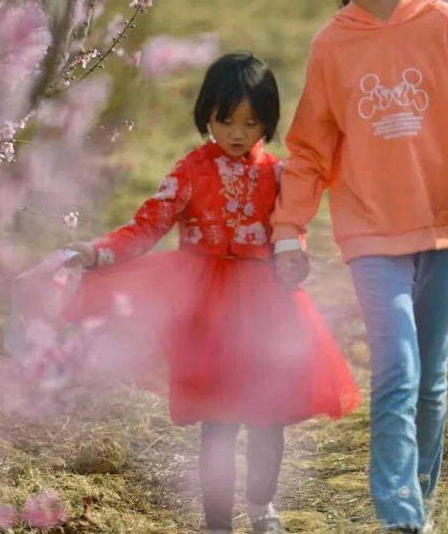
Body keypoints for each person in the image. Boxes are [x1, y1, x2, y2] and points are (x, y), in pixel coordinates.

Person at [271, 0, 448, 533]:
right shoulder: (332, 45)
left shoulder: (446, 27)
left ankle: (420, 504)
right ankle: (400, 520)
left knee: (431, 382)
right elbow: (309, 149)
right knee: (398, 372)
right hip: (371, 233)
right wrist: (288, 230)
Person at [64, 52, 359, 534]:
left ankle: (262, 508)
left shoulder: (280, 176)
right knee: (218, 422)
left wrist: (293, 257)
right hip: (206, 313)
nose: (238, 132)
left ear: (268, 120)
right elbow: (147, 227)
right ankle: (217, 523)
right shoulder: (189, 172)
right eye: (226, 120)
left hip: (267, 309)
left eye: (251, 121)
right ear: (208, 115)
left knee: (269, 416)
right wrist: (98, 252)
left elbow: (291, 232)